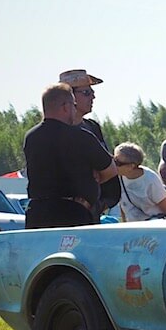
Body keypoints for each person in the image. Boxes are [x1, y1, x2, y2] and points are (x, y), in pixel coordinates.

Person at [23, 83, 117, 229]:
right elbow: (111, 170)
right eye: (73, 105)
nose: (74, 110)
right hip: (72, 212)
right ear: (66, 107)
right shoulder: (82, 137)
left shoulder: (31, 137)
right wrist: (93, 182)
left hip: (37, 213)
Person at [59, 68, 121, 220]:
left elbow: (107, 169)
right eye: (86, 92)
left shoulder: (92, 127)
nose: (93, 96)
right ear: (70, 96)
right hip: (65, 214)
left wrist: (97, 203)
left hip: (91, 213)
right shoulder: (55, 132)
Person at [114, 142, 166, 221]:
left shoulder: (150, 179)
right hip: (133, 228)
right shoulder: (118, 177)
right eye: (113, 159)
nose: (113, 164)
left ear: (131, 166)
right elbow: (124, 205)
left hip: (153, 227)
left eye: (117, 162)